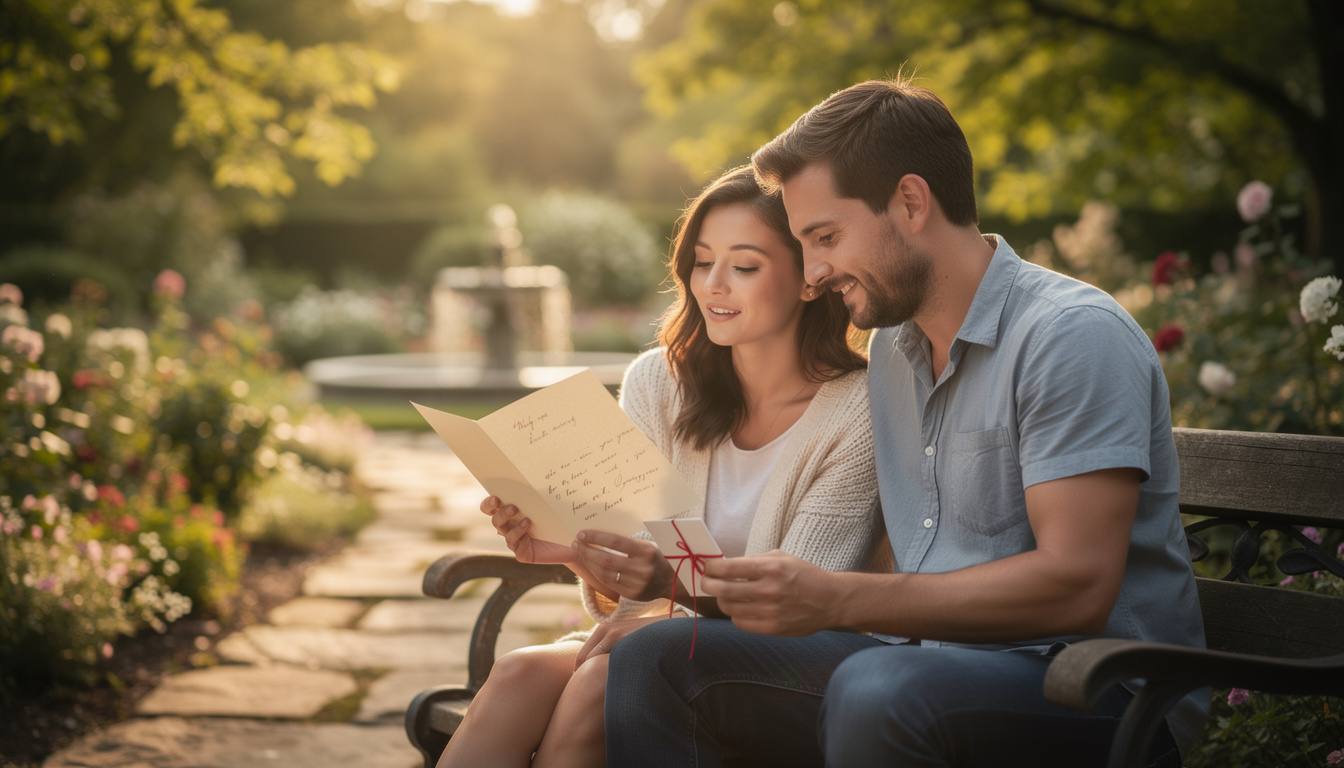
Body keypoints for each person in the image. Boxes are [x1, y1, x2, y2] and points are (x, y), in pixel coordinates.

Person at [604, 77, 1208, 767]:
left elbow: (1077, 584)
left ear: (911, 202)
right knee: (656, 658)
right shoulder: (894, 350)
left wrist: (838, 599)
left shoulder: (1069, 336)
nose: (814, 271)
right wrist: (669, 579)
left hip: (1096, 692)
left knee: (880, 685)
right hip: (917, 669)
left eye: (825, 236)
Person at [436, 165, 887, 768]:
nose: (714, 286)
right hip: (662, 640)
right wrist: (578, 551)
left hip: (789, 664)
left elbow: (798, 600)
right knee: (518, 674)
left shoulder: (856, 410)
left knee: (600, 682)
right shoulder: (659, 381)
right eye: (702, 263)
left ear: (809, 279)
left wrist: (670, 588)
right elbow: (640, 570)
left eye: (744, 266)